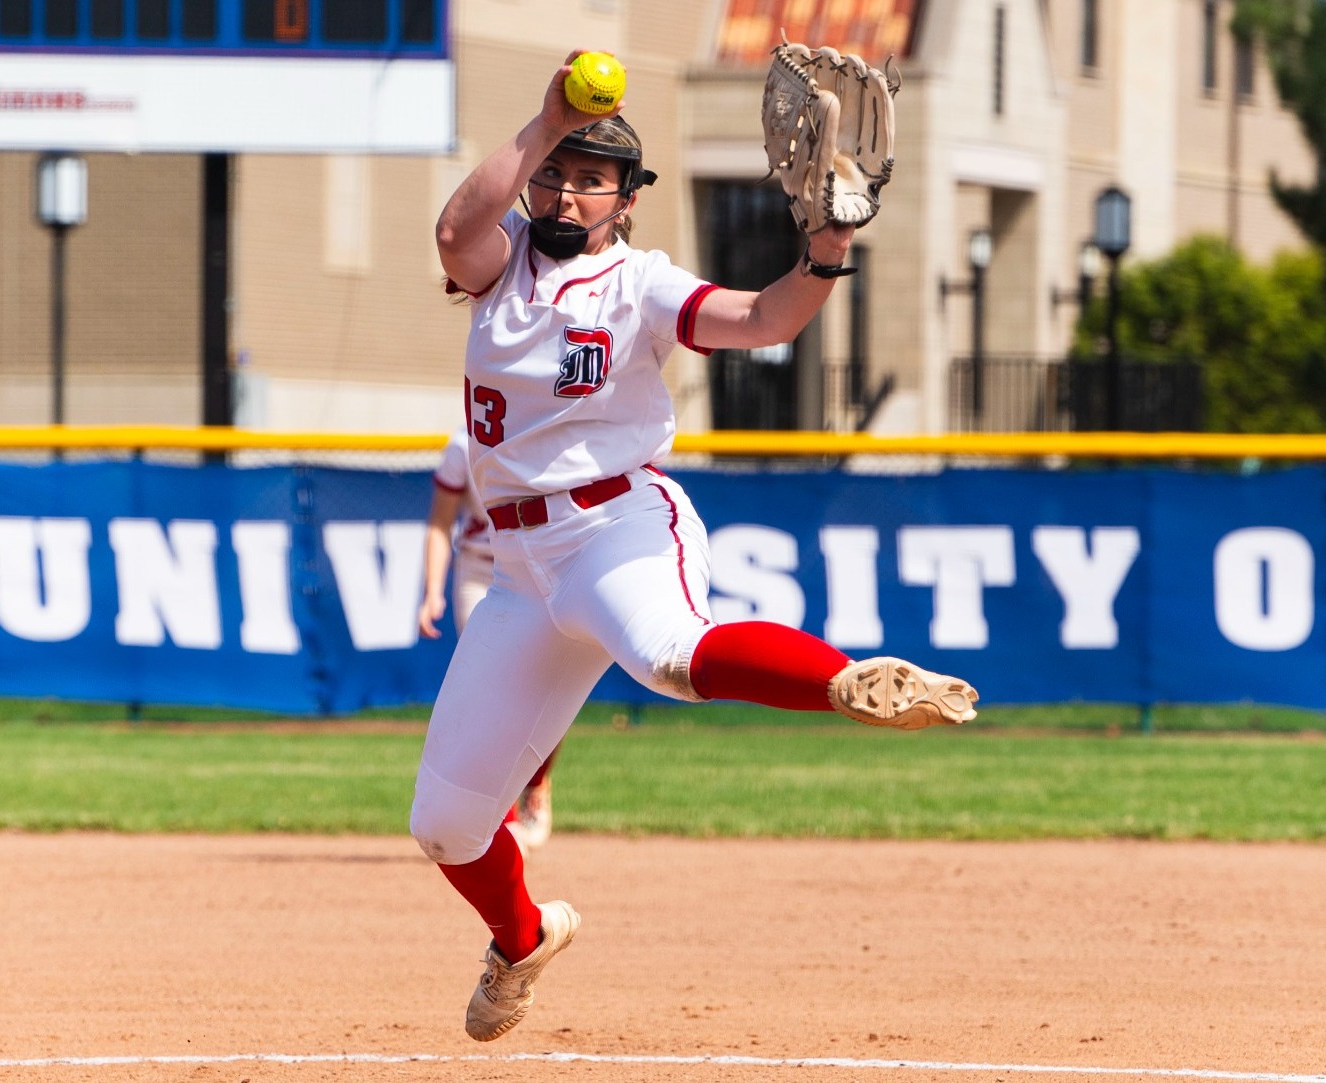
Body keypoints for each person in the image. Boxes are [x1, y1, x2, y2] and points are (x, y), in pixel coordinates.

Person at [413, 49, 980, 1043]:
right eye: (558, 171)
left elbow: (762, 318)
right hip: (515, 571)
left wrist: (825, 254)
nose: (568, 189)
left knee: (672, 656)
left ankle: (847, 683)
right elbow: (455, 229)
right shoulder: (497, 265)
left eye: (595, 179)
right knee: (447, 827)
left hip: (616, 528)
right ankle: (524, 936)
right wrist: (544, 121)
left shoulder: (637, 284)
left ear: (627, 201)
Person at [417, 426, 559, 850]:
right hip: (479, 570)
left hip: (539, 567)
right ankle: (504, 816)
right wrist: (431, 591)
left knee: (545, 685)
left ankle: (536, 782)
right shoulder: (463, 445)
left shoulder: (548, 432)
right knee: (489, 685)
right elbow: (441, 522)